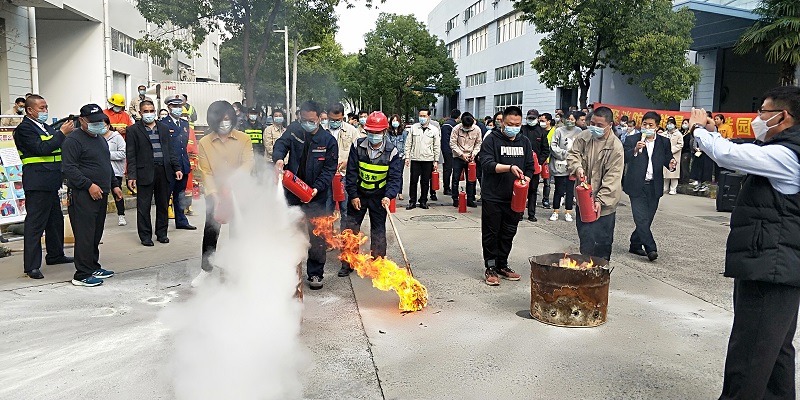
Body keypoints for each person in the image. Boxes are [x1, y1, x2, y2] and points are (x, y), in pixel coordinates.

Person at [687, 87, 800, 399]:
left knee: (750, 354)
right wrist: (713, 133)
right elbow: (740, 153)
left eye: (763, 111)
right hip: (776, 266)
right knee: (775, 353)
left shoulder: (787, 154)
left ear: (783, 116)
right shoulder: (783, 149)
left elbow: (730, 155)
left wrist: (698, 129)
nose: (757, 118)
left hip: (770, 268)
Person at [273, 101, 338, 290]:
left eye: (311, 120)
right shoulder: (294, 131)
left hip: (316, 196)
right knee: (290, 231)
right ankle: (289, 271)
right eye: (304, 120)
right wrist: (279, 158)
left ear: (319, 118)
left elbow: (329, 170)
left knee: (317, 235)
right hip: (292, 192)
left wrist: (315, 189)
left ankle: (315, 273)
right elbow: (281, 144)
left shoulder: (328, 141)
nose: (307, 123)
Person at [191, 101, 255, 287]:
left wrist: (234, 179)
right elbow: (205, 171)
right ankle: (206, 270)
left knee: (238, 229)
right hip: (216, 192)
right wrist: (215, 195)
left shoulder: (243, 139)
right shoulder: (204, 142)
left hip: (239, 191)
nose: (224, 123)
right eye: (220, 120)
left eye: (227, 119)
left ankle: (237, 268)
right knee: (211, 230)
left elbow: (248, 163)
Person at [62, 104, 122, 287]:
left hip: (101, 193)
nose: (98, 124)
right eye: (93, 121)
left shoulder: (100, 139)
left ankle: (93, 266)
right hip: (83, 195)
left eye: (100, 121)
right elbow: (69, 169)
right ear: (82, 120)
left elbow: (106, 164)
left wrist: (114, 185)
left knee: (96, 233)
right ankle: (81, 274)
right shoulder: (73, 140)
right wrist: (88, 185)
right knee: (85, 235)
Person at [14, 94, 74, 279]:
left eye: (46, 107)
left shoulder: (45, 127)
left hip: (51, 181)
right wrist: (61, 133)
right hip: (38, 181)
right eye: (41, 108)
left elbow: (56, 148)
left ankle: (55, 255)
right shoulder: (24, 129)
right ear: (29, 110)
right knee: (35, 224)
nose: (45, 111)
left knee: (55, 221)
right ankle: (31, 266)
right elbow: (41, 148)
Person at [338, 112, 402, 277]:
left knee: (378, 231)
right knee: (351, 229)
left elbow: (395, 178)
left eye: (377, 132)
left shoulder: (392, 151)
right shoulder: (357, 146)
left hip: (379, 196)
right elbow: (351, 173)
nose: (374, 135)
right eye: (370, 132)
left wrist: (388, 196)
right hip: (359, 193)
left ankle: (377, 264)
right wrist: (353, 195)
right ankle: (348, 263)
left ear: (384, 132)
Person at [478, 106, 535, 286]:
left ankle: (502, 264)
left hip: (515, 197)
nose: (514, 127)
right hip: (493, 195)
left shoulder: (524, 141)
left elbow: (530, 166)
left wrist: (525, 181)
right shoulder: (491, 139)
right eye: (510, 124)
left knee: (508, 232)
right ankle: (490, 267)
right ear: (502, 122)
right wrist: (509, 168)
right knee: (491, 233)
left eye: (517, 124)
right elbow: (486, 163)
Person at [568, 106, 625, 261]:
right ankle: (584, 269)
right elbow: (573, 154)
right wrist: (577, 167)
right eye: (592, 123)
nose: (594, 127)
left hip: (604, 206)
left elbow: (613, 178)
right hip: (583, 199)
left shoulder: (615, 147)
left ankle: (601, 271)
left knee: (602, 243)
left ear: (609, 125)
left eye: (599, 125)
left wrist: (600, 201)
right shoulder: (584, 137)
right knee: (586, 239)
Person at [126, 100, 182, 246]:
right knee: (143, 206)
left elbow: (170, 150)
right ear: (140, 113)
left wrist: (177, 168)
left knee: (163, 204)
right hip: (144, 172)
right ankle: (145, 236)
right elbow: (131, 154)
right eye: (146, 111)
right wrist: (131, 176)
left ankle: (162, 233)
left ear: (155, 111)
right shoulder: (133, 130)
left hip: (164, 170)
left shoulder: (163, 128)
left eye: (151, 111)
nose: (149, 114)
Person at [623, 111, 677, 262]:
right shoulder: (632, 139)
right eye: (644, 124)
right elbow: (624, 157)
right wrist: (635, 150)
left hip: (654, 185)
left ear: (657, 127)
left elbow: (667, 158)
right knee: (641, 218)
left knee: (647, 219)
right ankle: (651, 248)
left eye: (650, 125)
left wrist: (671, 163)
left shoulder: (663, 142)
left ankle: (635, 243)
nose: (647, 127)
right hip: (637, 185)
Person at [162, 96, 196, 231]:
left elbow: (184, 144)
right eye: (175, 106)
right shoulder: (163, 123)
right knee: (165, 196)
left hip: (183, 163)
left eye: (179, 106)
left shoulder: (184, 124)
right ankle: (162, 224)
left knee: (180, 195)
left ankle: (181, 221)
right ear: (169, 107)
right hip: (169, 166)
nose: (178, 109)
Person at [549, 111, 583, 222]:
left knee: (570, 190)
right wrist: (564, 154)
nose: (569, 121)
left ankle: (568, 212)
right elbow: (553, 146)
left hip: (573, 165)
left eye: (572, 119)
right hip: (560, 164)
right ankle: (555, 211)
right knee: (558, 189)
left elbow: (581, 147)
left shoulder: (579, 131)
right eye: (568, 119)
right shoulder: (558, 131)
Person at [404, 108, 440, 210]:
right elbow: (408, 143)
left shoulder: (434, 130)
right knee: (413, 181)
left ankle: (423, 201)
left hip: (428, 159)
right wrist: (407, 157)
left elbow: (436, 146)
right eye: (420, 116)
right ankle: (412, 201)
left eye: (424, 116)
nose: (422, 118)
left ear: (429, 117)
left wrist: (436, 161)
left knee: (425, 182)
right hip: (415, 159)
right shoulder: (414, 128)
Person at [326, 103, 358, 215]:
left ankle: (345, 226)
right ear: (327, 116)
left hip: (344, 174)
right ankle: (327, 227)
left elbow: (358, 153)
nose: (335, 122)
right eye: (332, 120)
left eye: (338, 120)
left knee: (345, 209)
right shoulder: (321, 129)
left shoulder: (352, 131)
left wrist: (348, 162)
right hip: (326, 175)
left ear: (343, 117)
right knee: (327, 208)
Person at [521, 109, 551, 221]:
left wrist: (539, 162)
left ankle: (531, 214)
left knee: (533, 190)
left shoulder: (541, 132)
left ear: (537, 119)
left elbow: (545, 150)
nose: (531, 120)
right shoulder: (521, 130)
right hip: (521, 165)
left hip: (535, 166)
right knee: (521, 190)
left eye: (533, 118)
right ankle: (519, 212)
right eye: (529, 118)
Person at [449, 112, 482, 208]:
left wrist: (474, 153)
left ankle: (470, 199)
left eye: (468, 127)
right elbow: (452, 143)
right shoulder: (456, 129)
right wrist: (461, 154)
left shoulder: (477, 130)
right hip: (458, 157)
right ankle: (455, 199)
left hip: (471, 158)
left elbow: (478, 143)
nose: (466, 129)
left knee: (471, 179)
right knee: (455, 179)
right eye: (465, 127)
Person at [103, 114, 127, 226]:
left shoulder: (117, 137)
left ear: (108, 125)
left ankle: (121, 215)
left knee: (117, 193)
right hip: (102, 171)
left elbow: (123, 153)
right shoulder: (96, 137)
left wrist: (106, 155)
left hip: (116, 171)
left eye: (103, 125)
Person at [386, 114, 407, 200]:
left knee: (399, 175)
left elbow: (405, 144)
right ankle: (390, 192)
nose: (395, 122)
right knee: (390, 174)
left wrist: (405, 156)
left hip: (401, 157)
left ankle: (400, 192)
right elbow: (388, 143)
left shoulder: (404, 133)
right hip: (391, 157)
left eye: (397, 120)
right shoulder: (388, 133)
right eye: (393, 120)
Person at [660, 117, 684, 195]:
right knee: (665, 173)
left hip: (675, 154)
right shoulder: (664, 134)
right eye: (668, 124)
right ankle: (665, 188)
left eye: (671, 124)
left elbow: (680, 144)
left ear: (674, 125)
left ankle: (673, 189)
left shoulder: (678, 134)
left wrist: (672, 149)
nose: (669, 125)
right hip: (665, 154)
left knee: (674, 173)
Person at [440, 109, 459, 196]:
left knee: (446, 169)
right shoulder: (454, 126)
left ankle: (446, 187)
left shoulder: (445, 124)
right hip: (450, 150)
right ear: (458, 117)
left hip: (444, 149)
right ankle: (447, 188)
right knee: (449, 170)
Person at [541, 113, 556, 209]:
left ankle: (545, 200)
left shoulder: (555, 131)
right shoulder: (539, 131)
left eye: (543, 121)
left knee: (547, 182)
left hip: (549, 160)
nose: (541, 123)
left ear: (549, 121)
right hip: (539, 159)